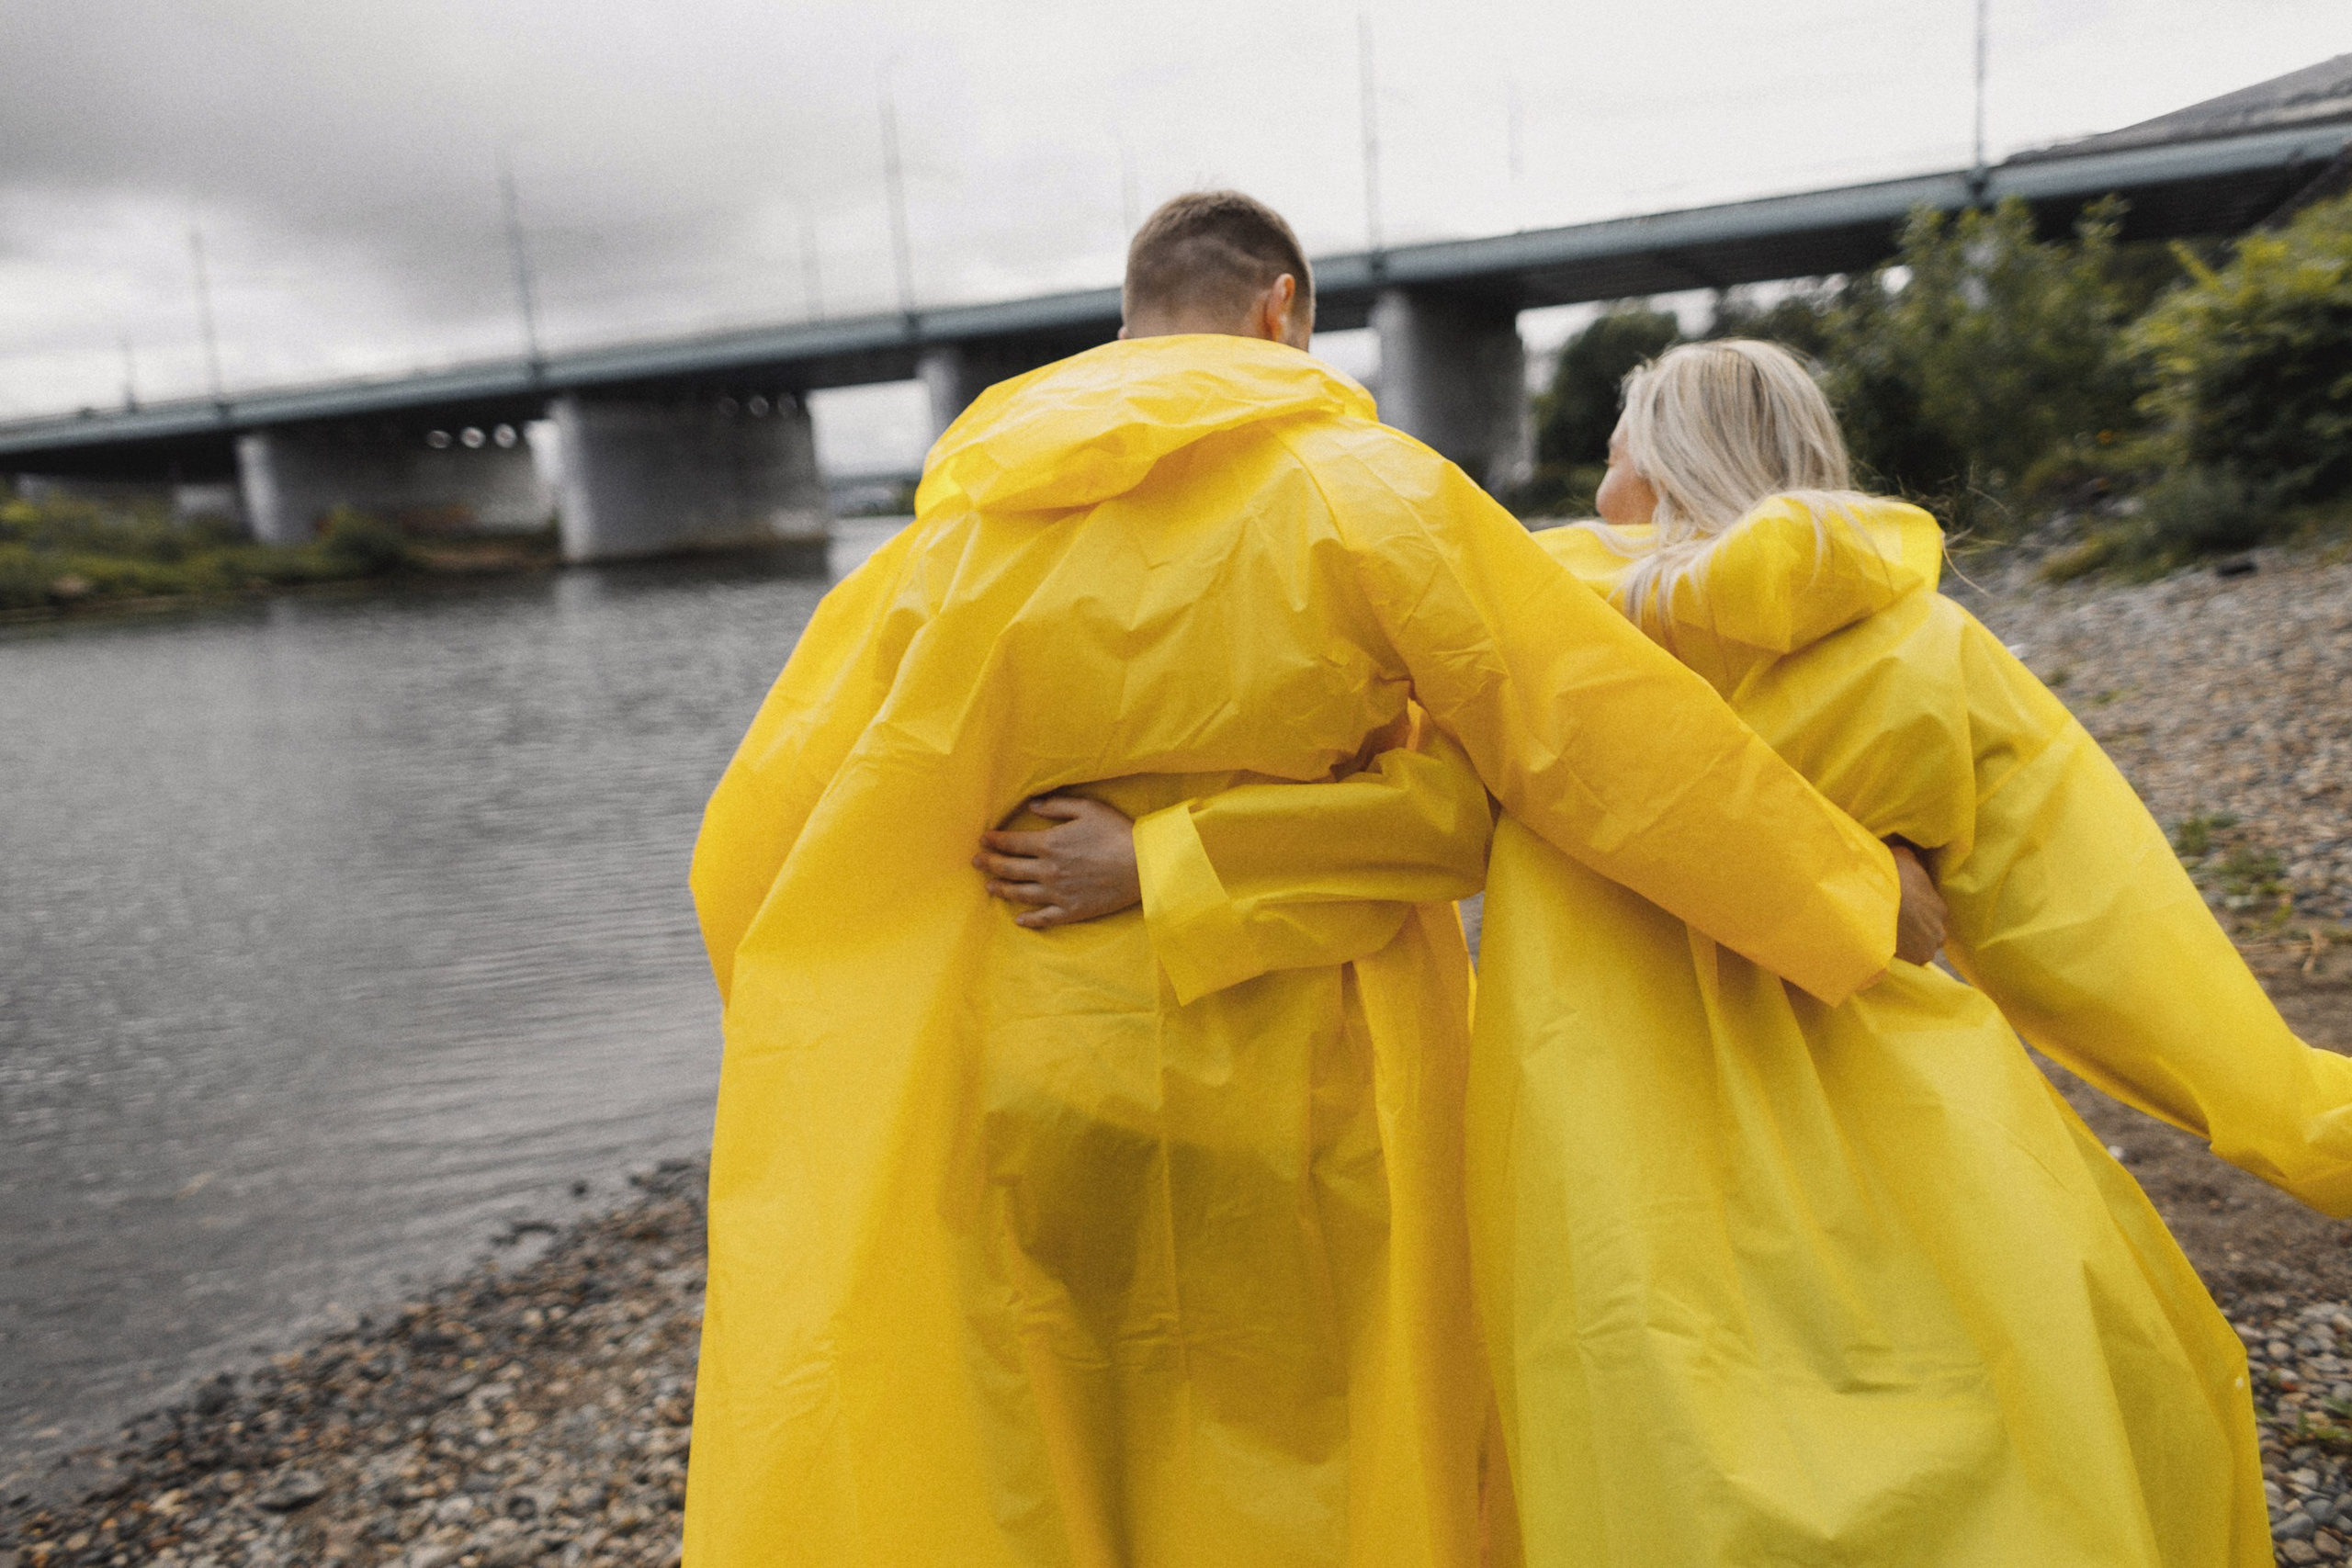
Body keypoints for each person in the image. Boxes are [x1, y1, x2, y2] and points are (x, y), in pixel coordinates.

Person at [684, 194, 1934, 1568]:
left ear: (1132, 316)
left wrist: (827, 1047)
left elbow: (755, 842)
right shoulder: (1365, 491)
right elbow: (1593, 740)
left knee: (1074, 1450)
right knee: (1316, 1462)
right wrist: (1847, 901)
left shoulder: (950, 540)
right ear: (1281, 309)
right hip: (1298, 1076)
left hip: (1032, 1074)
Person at [995, 337, 2352, 1567]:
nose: (1601, 481)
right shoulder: (1929, 649)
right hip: (1909, 1133)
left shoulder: (1541, 647)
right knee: (1997, 1434)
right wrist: (2307, 1128)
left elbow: (1416, 825)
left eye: (1613, 450)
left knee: (1665, 1479)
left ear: (1656, 469)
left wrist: (1159, 859)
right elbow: (2104, 929)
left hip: (1616, 1155)